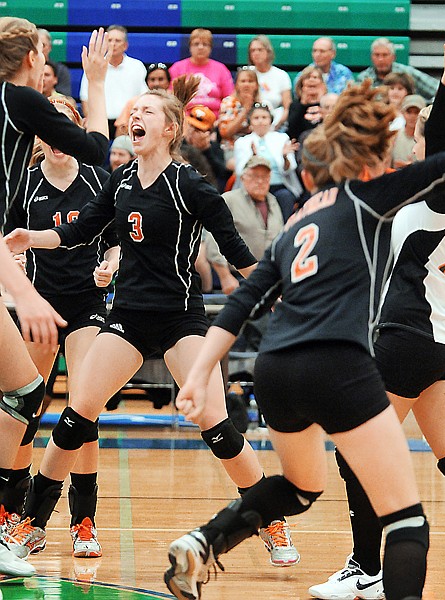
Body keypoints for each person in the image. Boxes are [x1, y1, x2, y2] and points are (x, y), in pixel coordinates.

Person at [163, 80, 445, 600]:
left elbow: (242, 301)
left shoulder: (300, 217)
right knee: (407, 520)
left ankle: (202, 542)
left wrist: (201, 372)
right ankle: (372, 572)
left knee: (299, 488)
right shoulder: (373, 198)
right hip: (337, 361)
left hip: (274, 367)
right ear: (373, 159)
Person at [5, 76, 300, 568]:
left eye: (146, 111)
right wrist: (28, 240)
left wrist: (281, 295)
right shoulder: (120, 182)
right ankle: (33, 525)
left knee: (214, 423)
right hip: (126, 318)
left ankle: (269, 518)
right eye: (132, 111)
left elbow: (237, 252)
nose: (133, 118)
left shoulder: (191, 186)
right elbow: (80, 231)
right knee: (76, 415)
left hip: (180, 320)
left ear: (170, 128)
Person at [309, 42, 445, 600]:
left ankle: (366, 566)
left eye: (421, 130)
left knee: (356, 449)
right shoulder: (423, 194)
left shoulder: (438, 191)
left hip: (405, 337)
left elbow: (443, 123)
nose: (414, 134)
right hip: (442, 343)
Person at [0, 16, 109, 576]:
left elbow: (117, 224)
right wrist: (95, 84)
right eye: (43, 53)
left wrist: (111, 258)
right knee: (25, 398)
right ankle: (13, 516)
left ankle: (75, 518)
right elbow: (98, 141)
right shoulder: (20, 111)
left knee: (60, 401)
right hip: (36, 301)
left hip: (86, 306)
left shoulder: (93, 178)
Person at [205, 155, 284, 296]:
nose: (260, 181)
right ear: (242, 178)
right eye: (254, 176)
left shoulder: (273, 201)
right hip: (236, 278)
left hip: (267, 278)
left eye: (265, 177)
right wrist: (225, 277)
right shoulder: (228, 200)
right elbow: (212, 240)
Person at [234, 103, 301, 222]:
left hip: (279, 185)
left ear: (270, 120)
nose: (260, 121)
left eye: (264, 117)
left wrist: (285, 157)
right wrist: (253, 158)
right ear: (250, 122)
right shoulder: (242, 142)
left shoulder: (282, 138)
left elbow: (290, 169)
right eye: (256, 118)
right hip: (253, 188)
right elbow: (240, 171)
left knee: (285, 197)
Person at [80, 24, 147, 139]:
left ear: (125, 45)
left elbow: (143, 96)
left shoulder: (137, 66)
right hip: (100, 122)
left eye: (117, 41)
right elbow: (85, 98)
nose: (113, 44)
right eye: (110, 40)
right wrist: (93, 122)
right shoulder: (95, 65)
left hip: (127, 124)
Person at [169, 28, 234, 118]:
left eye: (205, 44)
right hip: (185, 119)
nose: (200, 47)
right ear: (190, 47)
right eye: (196, 44)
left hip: (215, 120)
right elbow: (171, 98)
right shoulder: (177, 68)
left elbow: (229, 99)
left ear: (210, 48)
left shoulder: (221, 69)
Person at [357, 37, 438, 101]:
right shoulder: (363, 78)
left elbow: (437, 89)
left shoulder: (407, 73)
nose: (381, 59)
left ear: (393, 57)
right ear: (371, 57)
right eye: (377, 55)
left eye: (385, 55)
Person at [181, 104, 231, 192]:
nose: (191, 132)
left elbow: (222, 174)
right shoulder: (178, 145)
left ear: (208, 133)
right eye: (191, 126)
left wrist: (206, 150)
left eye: (197, 130)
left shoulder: (214, 148)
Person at [218, 66, 261, 168]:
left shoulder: (262, 104)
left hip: (258, 146)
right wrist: (245, 110)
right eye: (243, 81)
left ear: (256, 85)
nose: (246, 84)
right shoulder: (228, 103)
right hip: (232, 148)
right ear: (236, 84)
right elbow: (225, 133)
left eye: (250, 81)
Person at [248, 35, 292, 131]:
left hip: (276, 123)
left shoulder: (281, 75)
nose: (256, 53)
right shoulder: (246, 73)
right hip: (249, 124)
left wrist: (273, 127)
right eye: (253, 50)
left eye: (260, 50)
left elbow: (287, 108)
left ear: (268, 52)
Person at [115, 62, 171, 136]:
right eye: (152, 79)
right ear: (147, 82)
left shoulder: (175, 103)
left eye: (161, 79)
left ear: (168, 82)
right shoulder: (134, 102)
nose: (156, 83)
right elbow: (120, 132)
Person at [288, 66, 327, 142]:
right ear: (302, 86)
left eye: (315, 77)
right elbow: (292, 132)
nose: (311, 80)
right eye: (307, 77)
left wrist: (320, 101)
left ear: (322, 84)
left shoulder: (328, 103)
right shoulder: (295, 105)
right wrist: (303, 104)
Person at [392, 94, 426, 168]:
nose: (412, 116)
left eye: (416, 112)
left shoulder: (426, 140)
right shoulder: (393, 136)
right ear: (402, 113)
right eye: (409, 112)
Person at [38, 28, 72, 97]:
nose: (40, 49)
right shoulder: (25, 69)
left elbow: (65, 98)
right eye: (37, 46)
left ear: (50, 47)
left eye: (43, 45)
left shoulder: (61, 70)